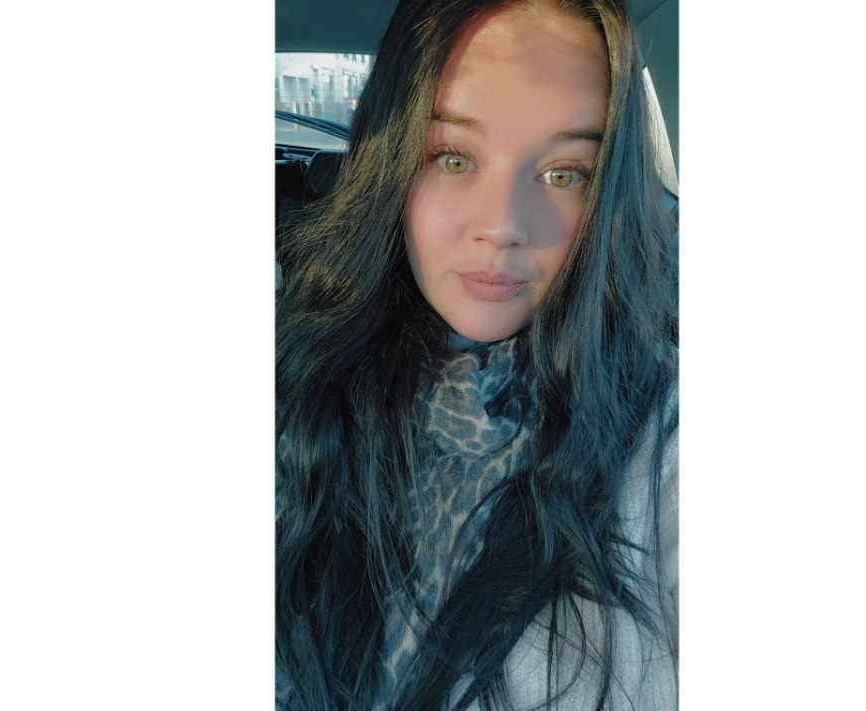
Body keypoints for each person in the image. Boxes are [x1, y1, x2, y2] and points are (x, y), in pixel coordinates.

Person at [276, 0, 677, 708]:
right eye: (453, 158)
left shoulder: (662, 428)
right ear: (391, 167)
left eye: (565, 173)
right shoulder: (293, 384)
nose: (503, 225)